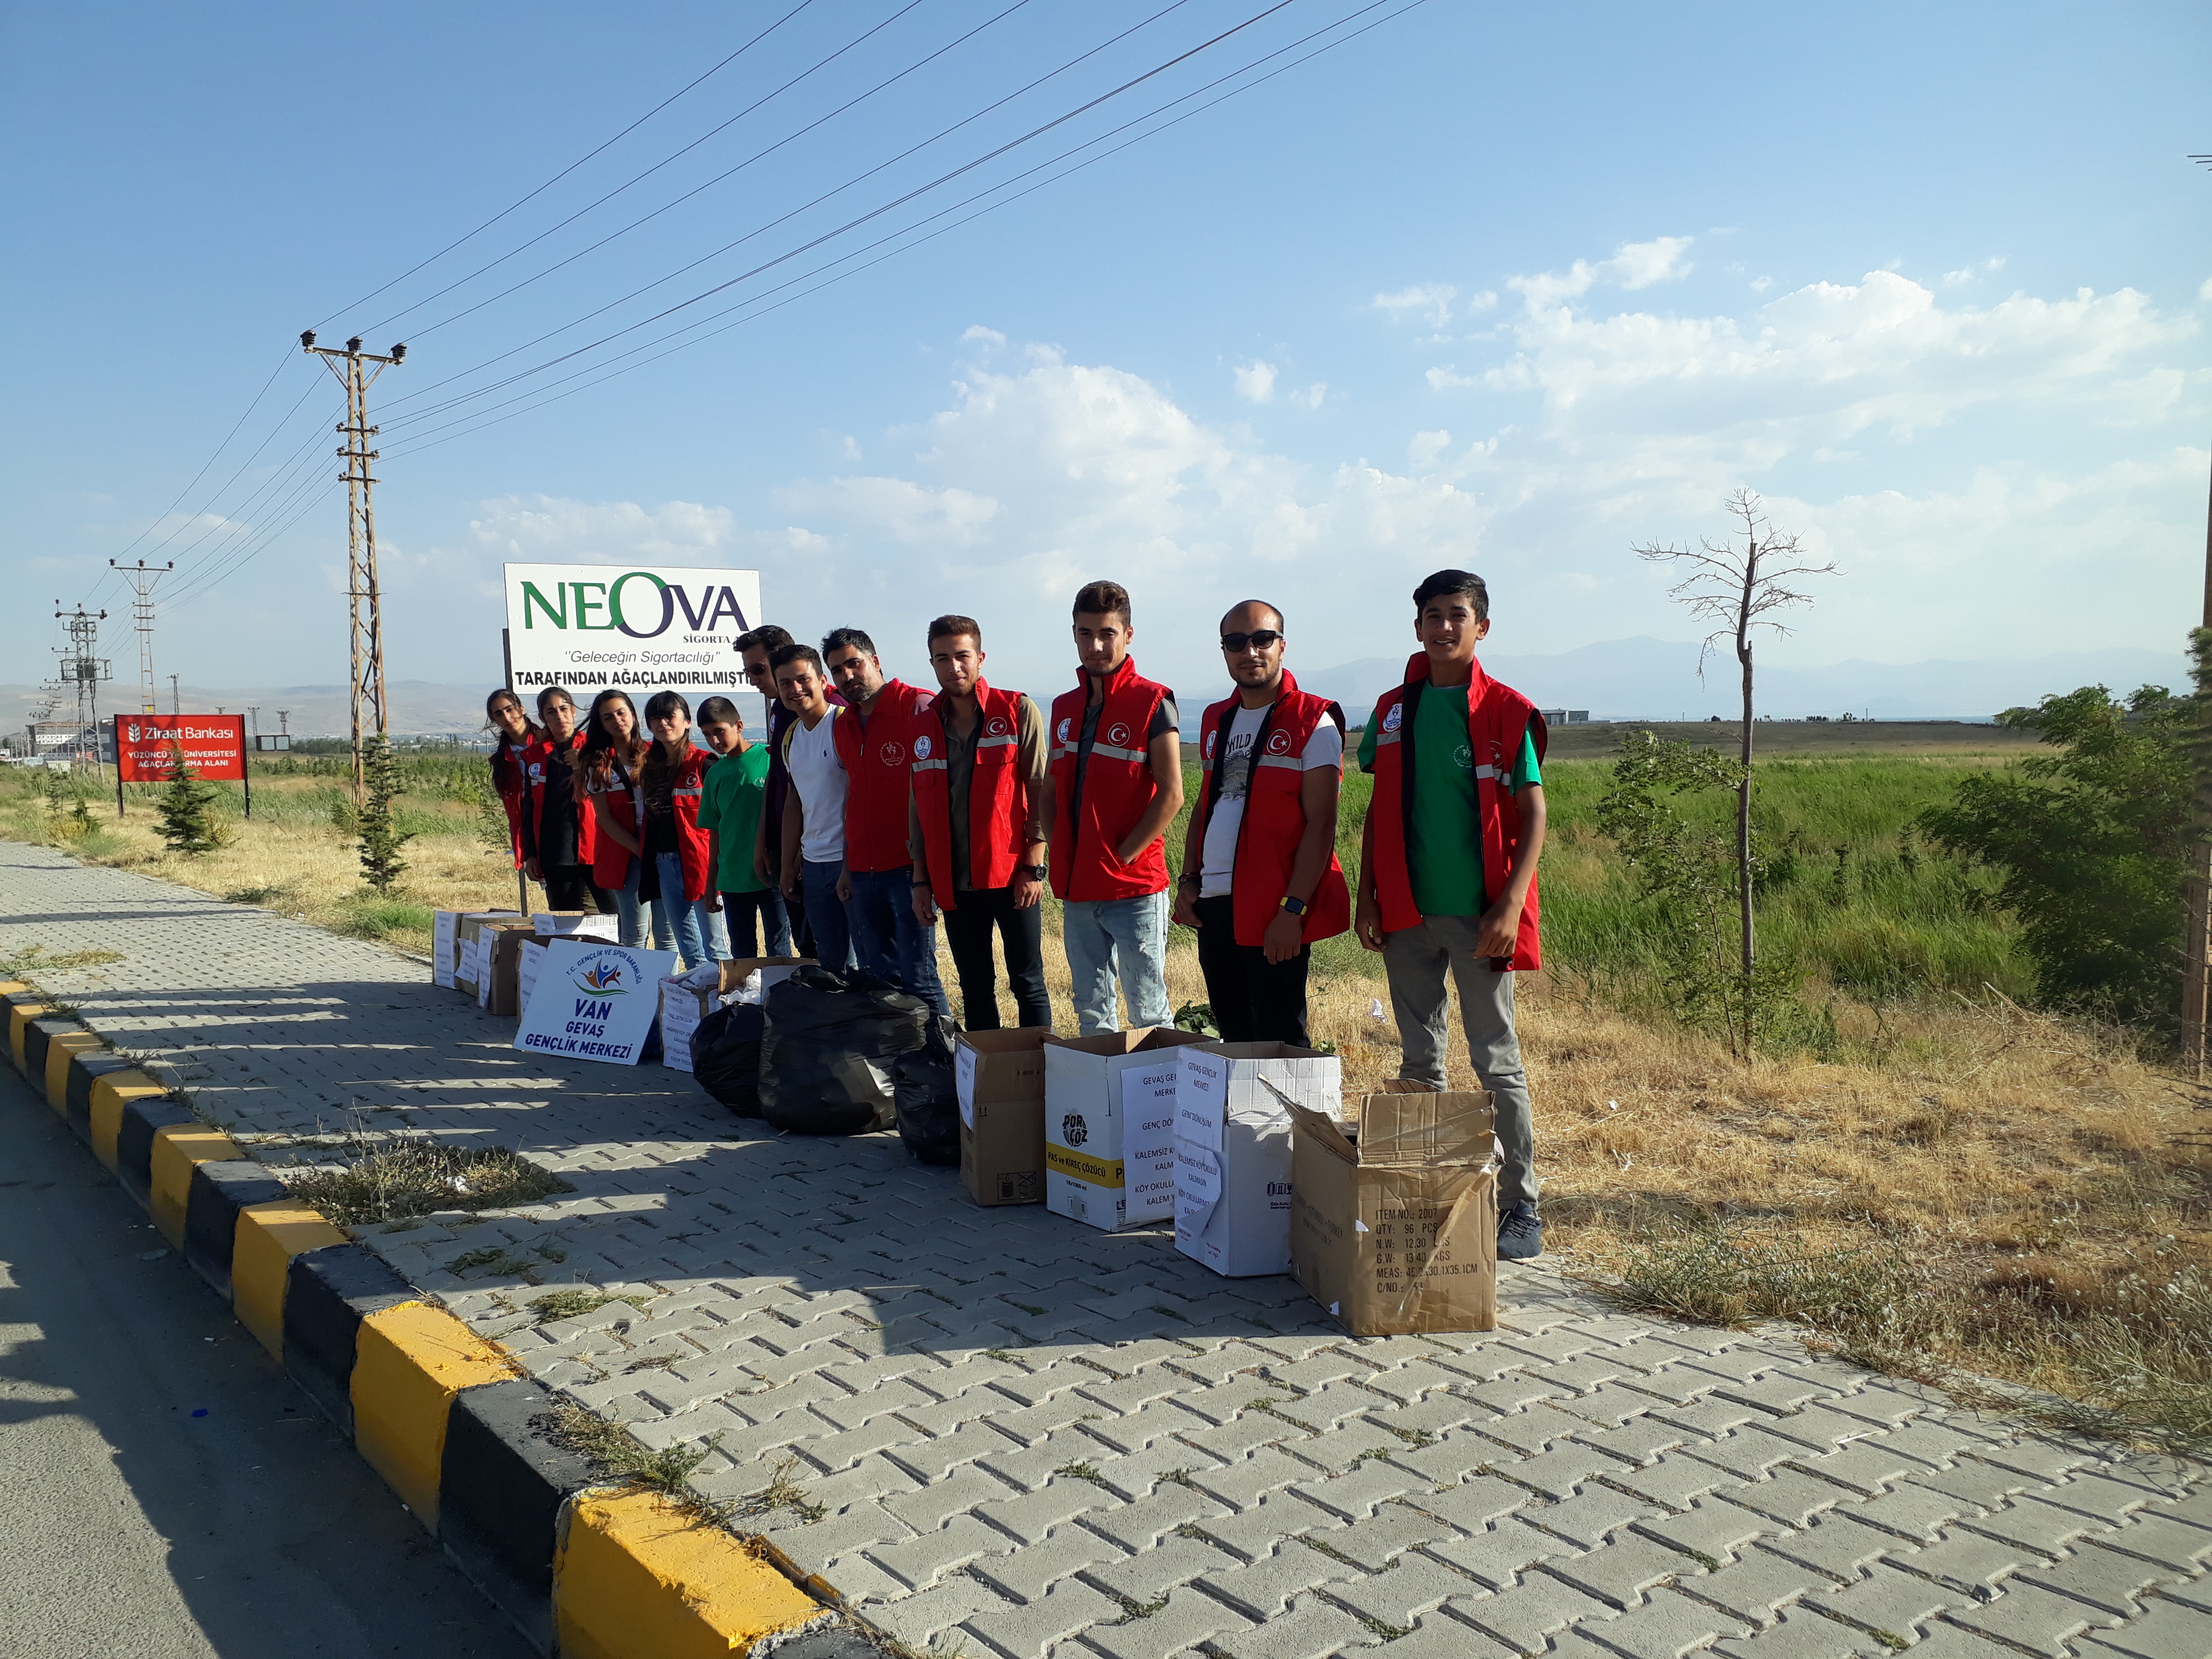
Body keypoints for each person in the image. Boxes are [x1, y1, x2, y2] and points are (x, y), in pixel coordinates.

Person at [1355, 569, 1549, 1261]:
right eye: (1432, 615)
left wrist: (1510, 905)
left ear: (1481, 627)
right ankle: (1426, 1190)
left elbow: (1533, 813)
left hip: (1479, 916)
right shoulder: (1393, 709)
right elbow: (1380, 809)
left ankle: (1521, 1205)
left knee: (1495, 1059)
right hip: (1406, 911)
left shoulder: (1505, 710)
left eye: (1456, 615)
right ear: (1417, 627)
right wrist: (1368, 896)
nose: (1443, 626)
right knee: (1419, 1060)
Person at [1174, 601, 1349, 1045]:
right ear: (1224, 650)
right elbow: (1206, 805)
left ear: (1282, 646)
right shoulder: (1216, 718)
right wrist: (1189, 880)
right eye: (1236, 642)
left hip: (1274, 906)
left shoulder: (1313, 720)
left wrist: (1293, 910)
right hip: (1215, 903)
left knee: (1280, 1036)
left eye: (1262, 639)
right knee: (1234, 1033)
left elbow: (1322, 824)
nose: (1250, 651)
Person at [1038, 580, 1183, 1034]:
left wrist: (1121, 856)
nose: (1096, 646)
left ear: (1128, 635)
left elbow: (1172, 794)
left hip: (1134, 886)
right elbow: (1049, 789)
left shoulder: (1153, 701)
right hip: (1079, 887)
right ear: (1074, 634)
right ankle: (1101, 1082)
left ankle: (1158, 1083)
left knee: (1148, 1010)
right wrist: (1060, 845)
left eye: (1107, 634)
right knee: (1091, 1008)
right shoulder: (1064, 707)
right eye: (1085, 634)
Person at [907, 615, 1051, 1030]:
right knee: (974, 986)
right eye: (943, 658)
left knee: (1027, 983)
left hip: (1012, 875)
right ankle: (989, 1068)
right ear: (932, 664)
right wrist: (921, 880)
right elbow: (917, 806)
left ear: (980, 658)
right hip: (953, 882)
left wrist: (1034, 866)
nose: (954, 667)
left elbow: (1040, 790)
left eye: (962, 656)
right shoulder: (922, 726)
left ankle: (1038, 1065)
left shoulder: (1017, 710)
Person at [823, 627, 947, 1012]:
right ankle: (900, 1050)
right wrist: (847, 868)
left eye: (854, 664)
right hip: (862, 872)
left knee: (920, 979)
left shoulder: (917, 707)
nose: (847, 676)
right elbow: (854, 797)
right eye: (837, 670)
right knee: (880, 983)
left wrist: (925, 872)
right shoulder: (843, 724)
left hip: (907, 869)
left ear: (875, 661)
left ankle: (942, 1049)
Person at [738, 624, 844, 958]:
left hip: (834, 855)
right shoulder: (783, 716)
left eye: (759, 669)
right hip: (797, 848)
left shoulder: (837, 716)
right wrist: (765, 842)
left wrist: (800, 848)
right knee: (812, 948)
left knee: (843, 954)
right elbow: (782, 784)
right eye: (748, 672)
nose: (754, 680)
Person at [771, 642, 856, 972]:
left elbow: (857, 796)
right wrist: (787, 866)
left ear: (822, 681)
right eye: (785, 683)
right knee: (831, 964)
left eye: (803, 679)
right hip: (813, 864)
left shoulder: (843, 724)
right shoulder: (792, 735)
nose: (795, 689)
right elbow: (795, 802)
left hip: (850, 861)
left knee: (862, 964)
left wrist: (849, 863)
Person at [697, 694, 791, 958]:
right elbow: (715, 832)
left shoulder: (770, 758)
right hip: (733, 878)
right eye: (707, 735)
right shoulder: (715, 773)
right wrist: (711, 884)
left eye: (719, 731)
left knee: (779, 946)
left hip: (772, 872)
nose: (715, 741)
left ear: (739, 726)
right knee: (742, 951)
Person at [637, 691, 718, 969]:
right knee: (688, 947)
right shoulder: (650, 767)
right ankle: (700, 994)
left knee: (715, 946)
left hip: (701, 862)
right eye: (655, 718)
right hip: (664, 862)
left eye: (669, 716)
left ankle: (727, 996)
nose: (663, 724)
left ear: (687, 721)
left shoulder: (705, 763)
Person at [520, 685, 614, 917]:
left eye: (564, 709)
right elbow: (529, 808)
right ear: (543, 717)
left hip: (597, 848)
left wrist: (585, 764)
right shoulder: (535, 756)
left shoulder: (597, 749)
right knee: (565, 922)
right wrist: (530, 854)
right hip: (556, 853)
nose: (559, 716)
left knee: (615, 916)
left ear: (573, 711)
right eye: (551, 712)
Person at [580, 689, 653, 947]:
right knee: (635, 932)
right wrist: (639, 849)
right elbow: (605, 819)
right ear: (601, 724)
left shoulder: (655, 755)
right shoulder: (598, 765)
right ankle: (634, 974)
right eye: (608, 717)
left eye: (621, 713)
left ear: (632, 714)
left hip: (661, 847)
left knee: (668, 932)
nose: (617, 720)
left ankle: (670, 975)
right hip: (626, 852)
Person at [484, 688, 541, 881]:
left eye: (510, 709)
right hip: (530, 830)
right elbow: (516, 811)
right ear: (494, 720)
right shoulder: (502, 760)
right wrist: (527, 851)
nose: (507, 717)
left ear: (521, 709)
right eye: (499, 714)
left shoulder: (548, 745)